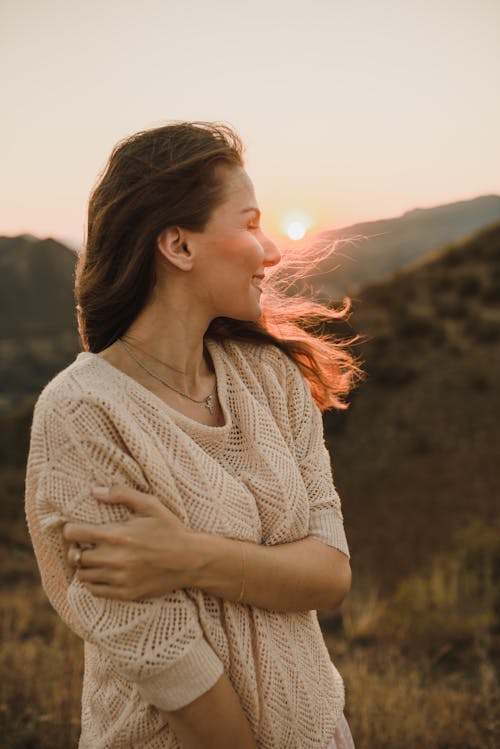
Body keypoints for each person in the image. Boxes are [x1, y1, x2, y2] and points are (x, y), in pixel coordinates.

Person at [25, 121, 362, 749]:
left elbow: (332, 576)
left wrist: (185, 558)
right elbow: (170, 664)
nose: (273, 252)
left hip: (322, 730)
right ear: (179, 246)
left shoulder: (270, 377)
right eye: (249, 223)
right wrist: (261, 569)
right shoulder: (81, 416)